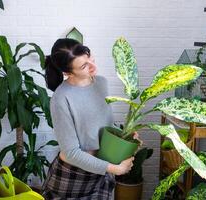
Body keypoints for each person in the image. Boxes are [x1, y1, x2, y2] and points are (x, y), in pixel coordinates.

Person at [41, 38, 139, 199]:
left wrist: (124, 136)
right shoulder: (61, 98)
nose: (93, 66)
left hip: (101, 169)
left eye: (90, 58)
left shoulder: (102, 83)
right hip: (73, 175)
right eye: (84, 66)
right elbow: (71, 152)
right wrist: (116, 169)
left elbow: (103, 125)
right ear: (67, 73)